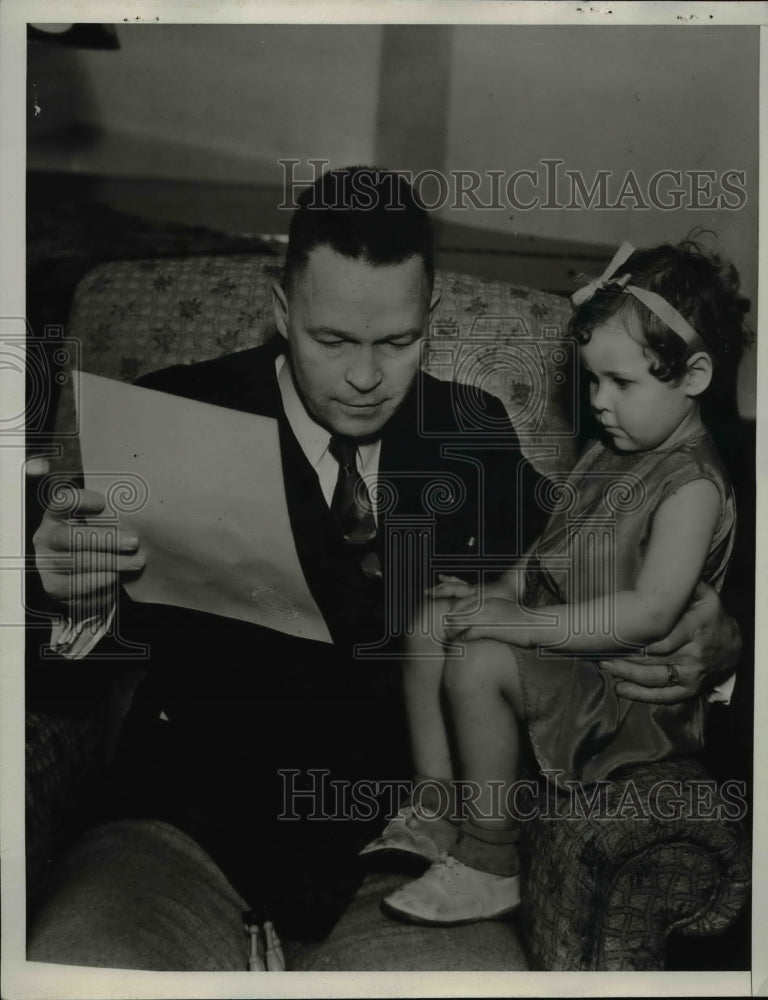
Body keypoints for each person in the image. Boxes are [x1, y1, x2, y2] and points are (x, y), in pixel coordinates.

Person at [28, 173, 740, 969]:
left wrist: (727, 643)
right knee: (75, 970)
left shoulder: (469, 433)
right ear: (280, 311)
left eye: (396, 343)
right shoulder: (175, 413)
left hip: (402, 858)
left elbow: (602, 559)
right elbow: (72, 673)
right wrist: (63, 594)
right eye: (331, 341)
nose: (365, 378)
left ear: (430, 321)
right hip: (174, 841)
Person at [361, 238, 750, 927]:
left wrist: (524, 625)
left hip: (623, 691)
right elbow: (550, 551)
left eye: (621, 383)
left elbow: (650, 611)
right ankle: (433, 807)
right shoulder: (608, 450)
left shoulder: (691, 484)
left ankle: (491, 857)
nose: (599, 402)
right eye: (591, 381)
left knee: (479, 662)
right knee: (433, 616)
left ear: (693, 377)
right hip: (567, 643)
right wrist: (501, 595)